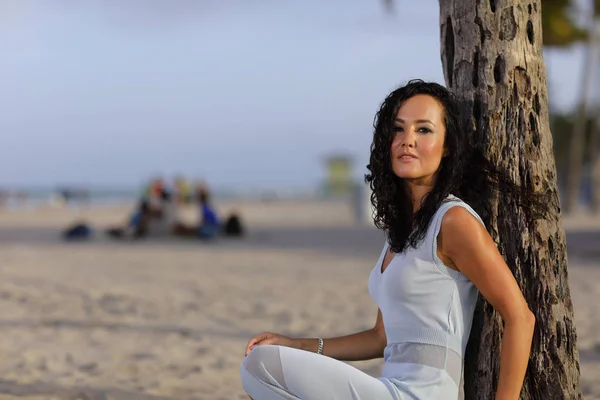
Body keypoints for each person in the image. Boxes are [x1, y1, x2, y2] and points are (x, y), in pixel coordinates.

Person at [240, 80, 543, 399]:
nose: (407, 141)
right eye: (398, 130)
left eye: (423, 130)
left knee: (260, 365)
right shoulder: (400, 232)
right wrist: (298, 345)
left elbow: (521, 317)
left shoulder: (453, 221)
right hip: (389, 388)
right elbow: (381, 337)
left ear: (447, 145)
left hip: (421, 394)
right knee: (260, 366)